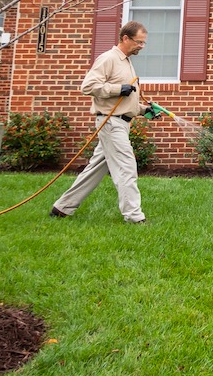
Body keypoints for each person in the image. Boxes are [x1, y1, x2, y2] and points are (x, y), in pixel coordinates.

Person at [50, 21, 148, 224]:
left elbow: (125, 101)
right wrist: (116, 89)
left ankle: (62, 207)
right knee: (126, 167)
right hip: (111, 124)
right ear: (125, 38)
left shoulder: (126, 62)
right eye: (138, 42)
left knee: (94, 170)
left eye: (143, 43)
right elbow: (88, 86)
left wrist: (146, 111)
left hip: (120, 122)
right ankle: (134, 217)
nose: (141, 46)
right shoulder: (109, 58)